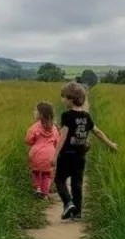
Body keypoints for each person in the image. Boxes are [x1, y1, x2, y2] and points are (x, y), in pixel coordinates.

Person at [53, 82, 118, 221]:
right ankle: (77, 214)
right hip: (80, 156)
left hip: (66, 155)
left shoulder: (66, 115)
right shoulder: (86, 117)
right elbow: (98, 132)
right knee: (77, 183)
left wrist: (54, 155)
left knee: (59, 180)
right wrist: (111, 145)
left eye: (64, 97)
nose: (62, 100)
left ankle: (68, 203)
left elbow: (63, 136)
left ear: (71, 98)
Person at [26, 101, 60, 198]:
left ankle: (38, 188)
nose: (34, 112)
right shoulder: (54, 128)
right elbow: (57, 141)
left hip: (36, 154)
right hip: (50, 155)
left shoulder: (35, 127)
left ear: (40, 114)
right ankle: (45, 194)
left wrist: (33, 143)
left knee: (35, 171)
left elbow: (29, 139)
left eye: (35, 111)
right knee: (47, 174)